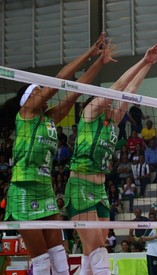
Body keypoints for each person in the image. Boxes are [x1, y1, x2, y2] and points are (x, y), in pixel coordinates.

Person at [1, 33, 110, 275]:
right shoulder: (26, 115)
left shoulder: (49, 119)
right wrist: (88, 53)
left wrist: (100, 62)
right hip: (23, 189)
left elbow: (75, 89)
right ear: (30, 98)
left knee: (60, 258)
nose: (43, 89)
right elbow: (61, 80)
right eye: (38, 88)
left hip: (46, 190)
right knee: (41, 263)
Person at [64, 42, 157, 275]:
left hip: (100, 191)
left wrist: (149, 63)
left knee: (92, 250)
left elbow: (129, 91)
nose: (112, 101)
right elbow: (119, 86)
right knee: (97, 248)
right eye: (109, 98)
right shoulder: (90, 113)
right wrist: (142, 60)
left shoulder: (114, 120)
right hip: (80, 185)